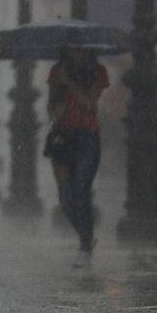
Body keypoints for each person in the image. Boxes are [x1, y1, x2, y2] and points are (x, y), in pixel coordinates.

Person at [45, 47, 108, 255]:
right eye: (73, 49)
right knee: (66, 199)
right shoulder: (57, 71)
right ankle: (86, 237)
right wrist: (58, 102)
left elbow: (90, 104)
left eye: (81, 50)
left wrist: (70, 83)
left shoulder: (98, 72)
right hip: (62, 138)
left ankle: (85, 243)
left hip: (87, 137)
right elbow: (52, 108)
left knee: (82, 193)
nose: (77, 54)